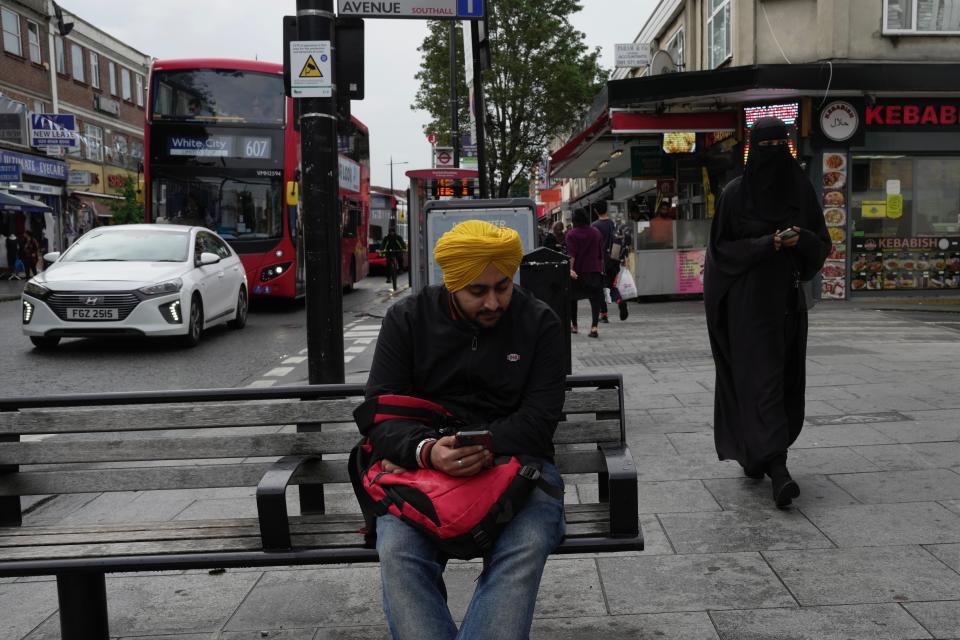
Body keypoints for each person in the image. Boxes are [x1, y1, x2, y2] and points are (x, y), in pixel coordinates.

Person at [365, 219, 566, 640]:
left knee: (525, 547)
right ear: (452, 284)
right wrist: (428, 450)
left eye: (503, 287)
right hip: (423, 473)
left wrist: (482, 446)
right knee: (400, 554)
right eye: (478, 291)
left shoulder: (540, 323)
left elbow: (539, 421)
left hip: (520, 469)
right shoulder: (407, 319)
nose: (494, 302)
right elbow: (381, 416)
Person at [703, 116, 830, 507]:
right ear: (752, 149)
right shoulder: (735, 195)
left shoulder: (801, 190)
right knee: (760, 382)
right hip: (747, 307)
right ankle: (779, 470)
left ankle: (756, 454)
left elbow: (820, 244)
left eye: (779, 146)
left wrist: (799, 240)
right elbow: (720, 251)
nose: (772, 155)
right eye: (765, 147)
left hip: (788, 305)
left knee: (783, 379)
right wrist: (766, 244)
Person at [565, 208, 604, 338]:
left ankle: (574, 326)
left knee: (572, 299)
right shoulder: (596, 233)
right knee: (595, 299)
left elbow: (571, 255)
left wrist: (570, 270)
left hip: (577, 273)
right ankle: (594, 327)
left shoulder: (571, 234)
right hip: (594, 270)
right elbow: (600, 253)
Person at [592, 207, 629, 322]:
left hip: (600, 261)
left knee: (601, 288)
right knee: (612, 286)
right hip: (614, 260)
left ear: (596, 211)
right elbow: (621, 240)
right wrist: (622, 258)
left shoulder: (594, 226)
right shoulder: (614, 224)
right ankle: (619, 301)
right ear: (606, 210)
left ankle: (604, 314)